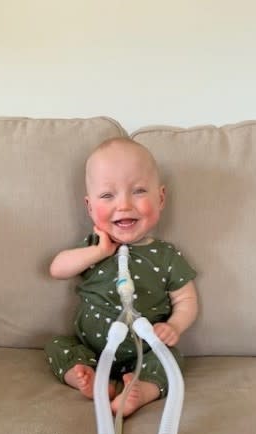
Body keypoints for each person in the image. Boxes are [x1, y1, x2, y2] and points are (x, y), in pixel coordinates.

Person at [45, 137, 198, 416]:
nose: (124, 205)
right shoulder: (93, 245)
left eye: (139, 191)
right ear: (90, 207)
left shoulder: (165, 255)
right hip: (90, 348)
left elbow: (186, 298)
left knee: (171, 360)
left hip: (145, 351)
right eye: (107, 196)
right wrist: (99, 251)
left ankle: (139, 391)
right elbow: (57, 269)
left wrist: (175, 326)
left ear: (160, 198)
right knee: (57, 346)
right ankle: (88, 377)